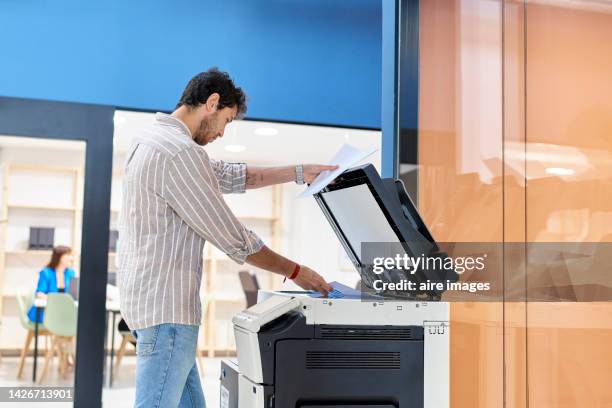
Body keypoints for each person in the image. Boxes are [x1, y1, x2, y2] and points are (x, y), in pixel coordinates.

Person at [118, 67, 334, 408]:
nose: (222, 133)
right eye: (227, 121)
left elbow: (232, 176)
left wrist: (298, 171)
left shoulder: (152, 141)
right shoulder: (179, 153)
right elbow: (235, 240)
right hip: (167, 314)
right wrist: (296, 272)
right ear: (212, 102)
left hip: (150, 307)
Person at [27, 245, 76, 323]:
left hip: (64, 312)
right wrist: (56, 301)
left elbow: (73, 295)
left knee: (75, 322)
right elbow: (39, 294)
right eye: (69, 255)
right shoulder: (46, 273)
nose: (72, 258)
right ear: (60, 257)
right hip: (46, 312)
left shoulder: (71, 273)